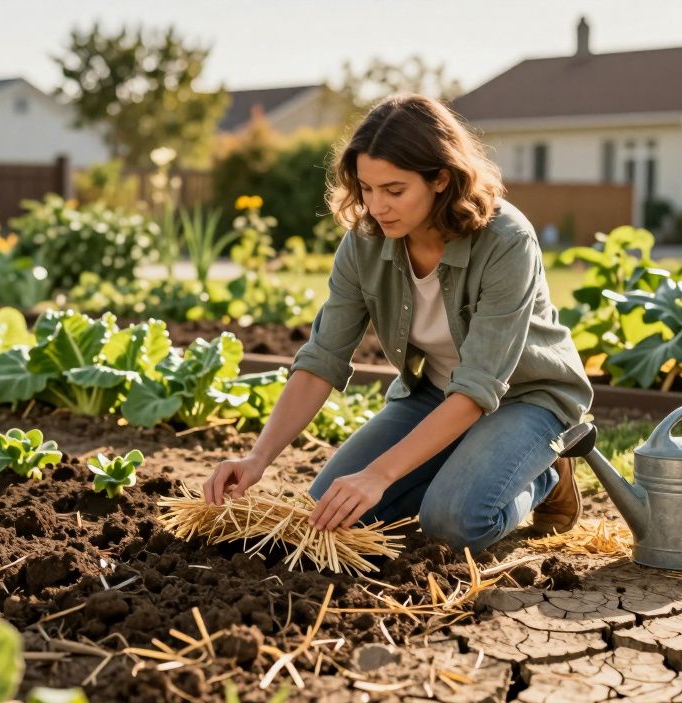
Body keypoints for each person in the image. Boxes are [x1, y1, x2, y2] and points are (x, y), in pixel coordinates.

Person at [203, 94, 594, 554]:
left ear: (441, 180)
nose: (377, 206)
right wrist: (258, 457)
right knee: (334, 511)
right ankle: (468, 461)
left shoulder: (507, 241)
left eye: (394, 190)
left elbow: (479, 387)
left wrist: (381, 473)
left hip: (526, 397)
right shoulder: (364, 243)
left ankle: (545, 474)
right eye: (366, 189)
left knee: (452, 523)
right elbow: (321, 360)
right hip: (434, 394)